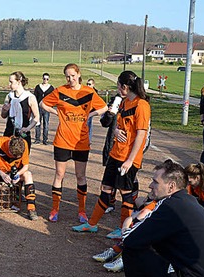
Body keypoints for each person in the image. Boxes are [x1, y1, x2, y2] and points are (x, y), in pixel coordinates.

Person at [73, 71, 149, 237]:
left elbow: (141, 134)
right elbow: (114, 124)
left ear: (125, 86)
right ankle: (91, 224)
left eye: (118, 85)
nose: (117, 89)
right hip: (115, 154)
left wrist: (130, 160)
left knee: (125, 192)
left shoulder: (141, 105)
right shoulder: (122, 102)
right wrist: (114, 130)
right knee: (106, 188)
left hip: (128, 159)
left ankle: (124, 229)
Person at [40, 63, 108, 223]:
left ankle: (82, 211)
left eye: (72, 75)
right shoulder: (60, 91)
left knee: (80, 176)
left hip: (81, 142)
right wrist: (55, 111)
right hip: (62, 140)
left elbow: (104, 107)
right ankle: (55, 209)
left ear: (78, 74)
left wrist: (90, 115)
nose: (70, 79)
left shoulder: (88, 92)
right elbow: (43, 103)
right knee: (59, 174)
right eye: (67, 76)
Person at [91, 196, 157, 272]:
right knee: (140, 204)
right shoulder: (154, 203)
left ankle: (125, 257)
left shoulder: (166, 205)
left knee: (145, 215)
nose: (150, 186)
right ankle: (117, 250)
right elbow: (130, 218)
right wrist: (125, 230)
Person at [0, 135, 38, 221]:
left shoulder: (24, 144)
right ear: (8, 147)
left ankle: (31, 208)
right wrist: (2, 174)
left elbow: (26, 166)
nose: (14, 159)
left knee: (28, 174)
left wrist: (18, 174)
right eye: (12, 156)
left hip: (14, 173)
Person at [1, 71, 40, 151]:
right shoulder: (9, 97)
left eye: (11, 82)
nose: (9, 84)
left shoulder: (30, 97)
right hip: (9, 134)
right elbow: (3, 115)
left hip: (23, 135)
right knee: (5, 160)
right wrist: (4, 110)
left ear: (19, 81)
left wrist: (28, 128)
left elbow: (36, 117)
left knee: (22, 161)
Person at [34, 73, 54, 145]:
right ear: (42, 78)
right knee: (37, 123)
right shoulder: (38, 87)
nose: (45, 80)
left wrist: (50, 107)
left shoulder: (51, 88)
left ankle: (45, 140)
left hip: (46, 108)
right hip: (39, 107)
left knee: (46, 124)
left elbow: (53, 98)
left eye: (47, 79)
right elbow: (35, 97)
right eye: (44, 79)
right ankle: (37, 139)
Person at [85, 78, 99, 142]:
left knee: (89, 125)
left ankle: (88, 140)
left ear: (93, 84)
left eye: (89, 84)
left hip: (91, 111)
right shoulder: (85, 91)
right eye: (87, 84)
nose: (88, 85)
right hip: (85, 110)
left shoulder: (95, 92)